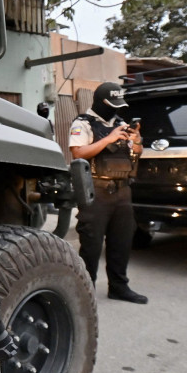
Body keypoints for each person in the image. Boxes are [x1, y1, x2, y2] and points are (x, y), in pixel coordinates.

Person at [68, 82, 147, 304]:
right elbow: (78, 154)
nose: (116, 109)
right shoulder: (83, 123)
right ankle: (85, 290)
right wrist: (109, 139)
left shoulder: (121, 123)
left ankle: (119, 287)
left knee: (121, 242)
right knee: (91, 245)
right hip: (96, 190)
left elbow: (137, 153)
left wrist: (137, 141)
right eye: (112, 104)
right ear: (101, 102)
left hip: (122, 190)